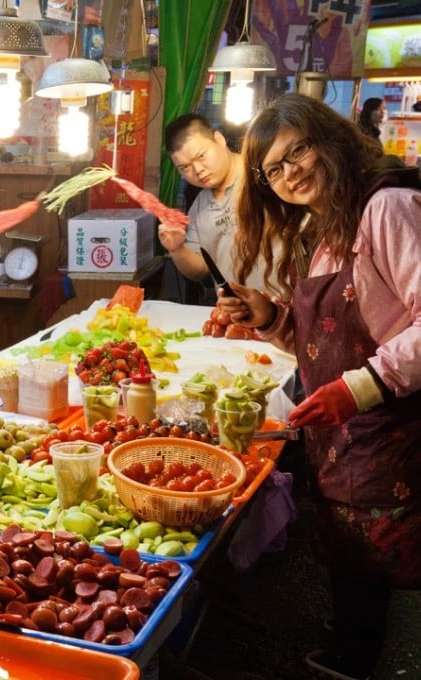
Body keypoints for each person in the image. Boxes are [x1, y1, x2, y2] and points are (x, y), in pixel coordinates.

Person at [218, 93, 421, 680]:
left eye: (298, 151)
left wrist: (364, 386)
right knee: (352, 560)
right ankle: (349, 654)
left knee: (380, 557)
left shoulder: (390, 207)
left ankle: (356, 663)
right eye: (273, 170)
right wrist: (271, 319)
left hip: (391, 424)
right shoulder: (325, 225)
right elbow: (325, 336)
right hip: (347, 431)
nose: (290, 174)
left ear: (329, 140)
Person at [161, 114, 273, 299]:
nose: (197, 170)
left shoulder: (263, 176)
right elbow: (199, 270)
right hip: (233, 316)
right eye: (185, 168)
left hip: (282, 312)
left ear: (219, 139)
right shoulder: (199, 207)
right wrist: (177, 249)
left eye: (201, 156)